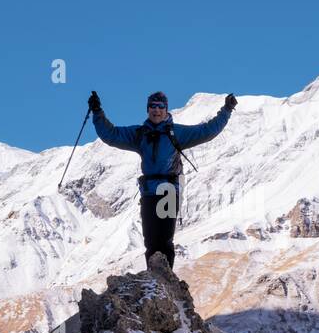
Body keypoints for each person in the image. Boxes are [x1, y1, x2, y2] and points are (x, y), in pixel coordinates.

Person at [88, 90, 237, 269]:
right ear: (147, 109)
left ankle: (165, 279)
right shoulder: (140, 134)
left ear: (166, 110)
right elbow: (111, 135)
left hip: (168, 189)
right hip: (149, 191)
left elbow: (207, 131)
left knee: (164, 239)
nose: (156, 110)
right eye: (153, 106)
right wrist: (97, 112)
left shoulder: (177, 133)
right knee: (150, 240)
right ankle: (154, 279)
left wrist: (226, 110)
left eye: (160, 107)